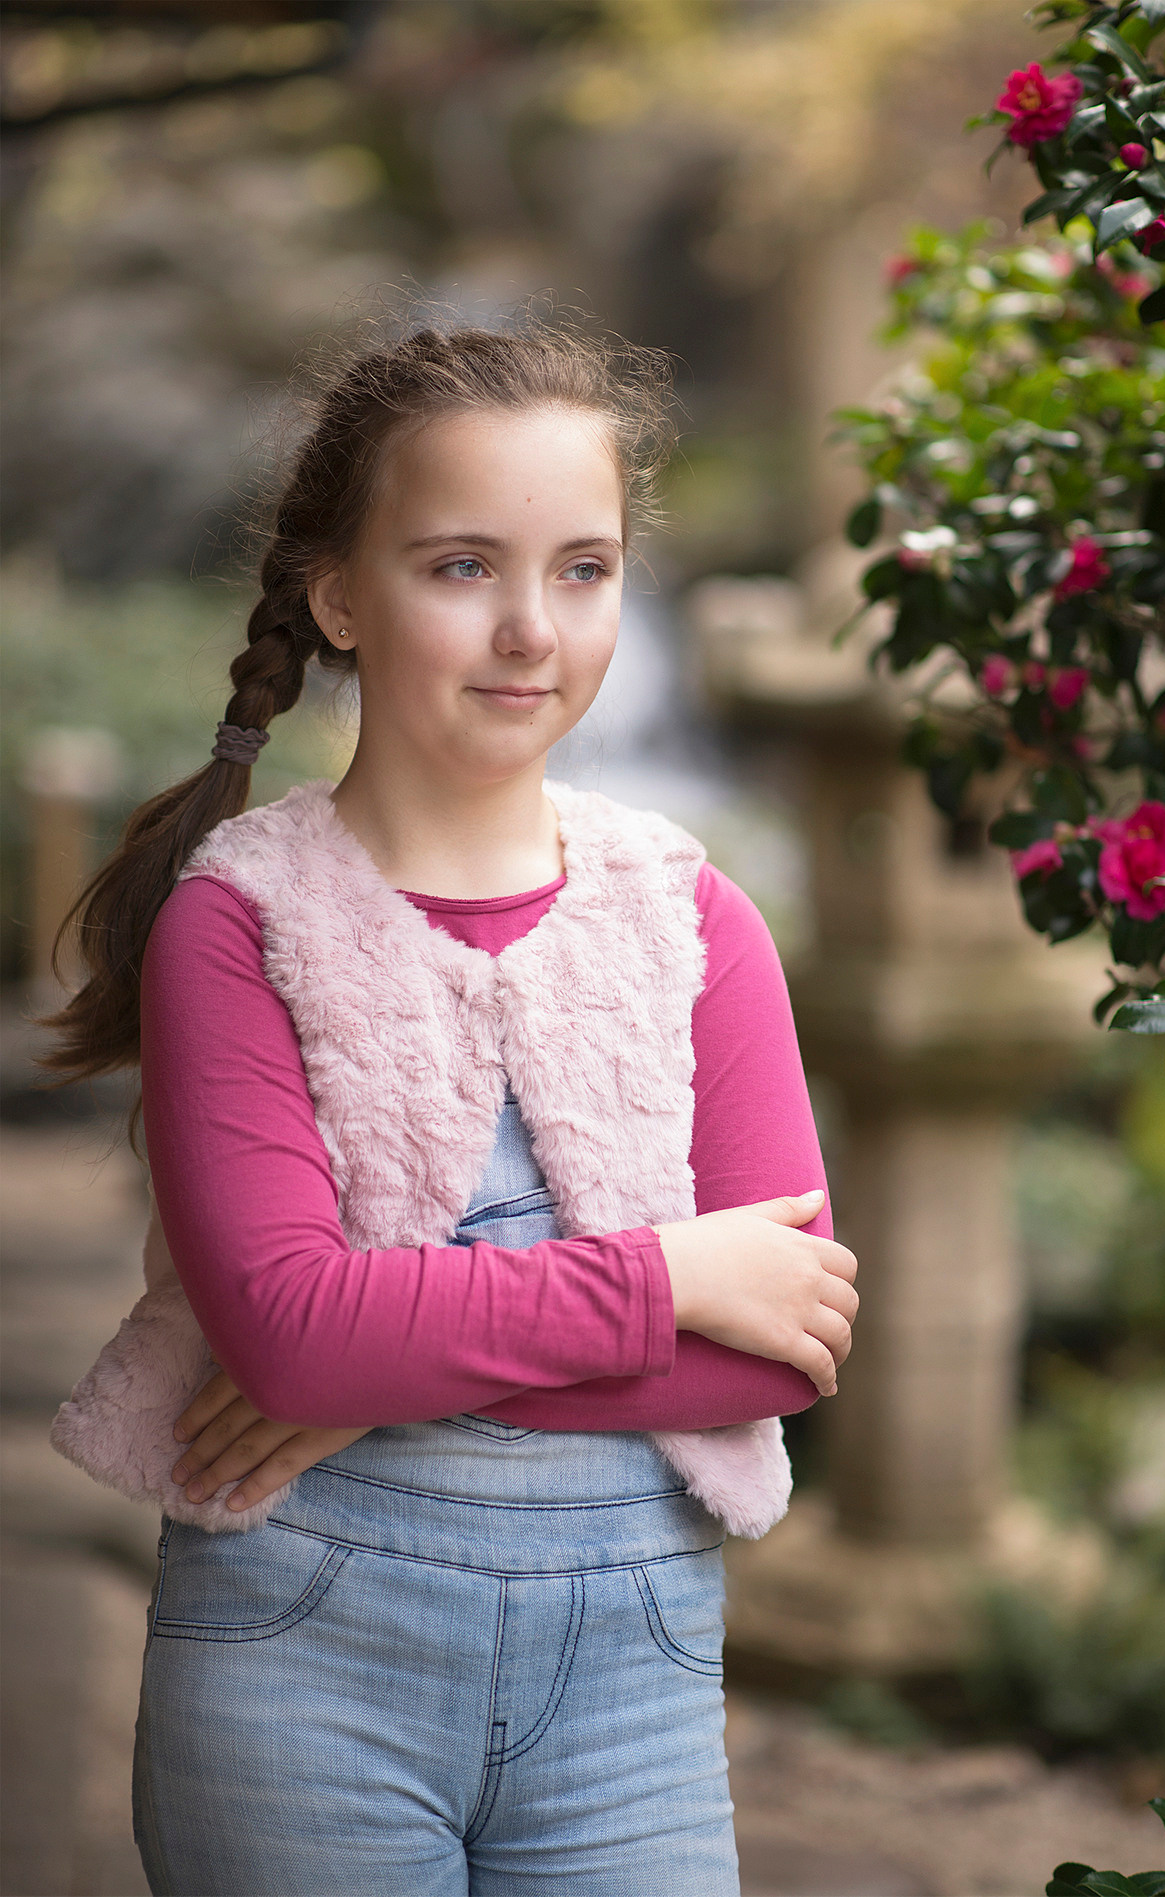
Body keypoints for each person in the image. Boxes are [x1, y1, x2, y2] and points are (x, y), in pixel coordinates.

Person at [41, 321, 859, 1895]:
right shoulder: (240, 923)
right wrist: (671, 1277)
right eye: (462, 567)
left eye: (584, 570)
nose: (530, 633)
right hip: (302, 1658)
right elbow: (287, 1335)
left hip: (633, 1691)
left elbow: (791, 1348)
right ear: (341, 593)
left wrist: (390, 1369)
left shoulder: (695, 920)